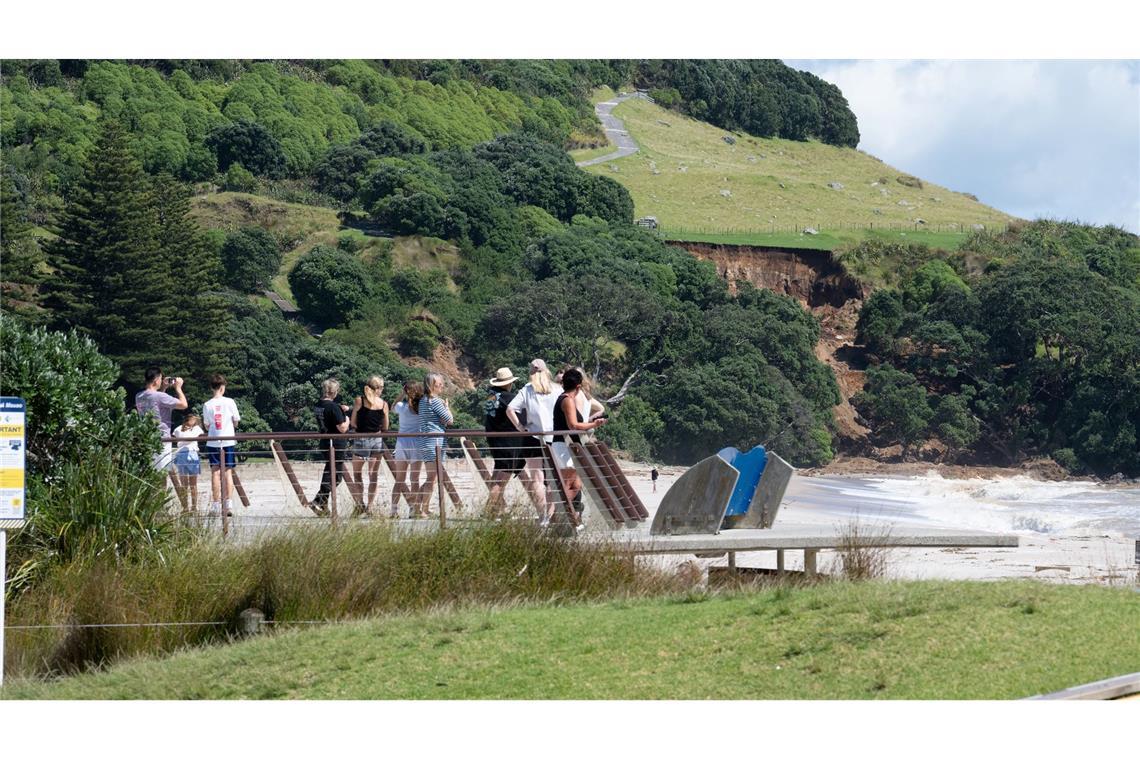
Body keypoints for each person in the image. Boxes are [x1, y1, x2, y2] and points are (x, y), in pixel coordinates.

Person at [506, 358, 563, 526]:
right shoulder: (557, 389)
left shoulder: (527, 389)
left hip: (533, 436)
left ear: (531, 373)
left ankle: (542, 516)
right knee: (552, 478)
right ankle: (551, 514)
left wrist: (520, 427)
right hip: (554, 437)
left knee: (537, 478)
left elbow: (510, 409)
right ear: (547, 371)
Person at [552, 368, 607, 522]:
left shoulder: (563, 398)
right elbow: (573, 425)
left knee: (575, 484)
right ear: (578, 386)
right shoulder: (568, 400)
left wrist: (590, 424)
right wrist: (594, 424)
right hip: (563, 446)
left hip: (563, 445)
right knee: (571, 484)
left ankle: (564, 516)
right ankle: (556, 515)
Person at [309, 378, 361, 516]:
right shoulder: (333, 407)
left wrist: (340, 409)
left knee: (329, 471)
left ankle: (322, 504)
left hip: (325, 441)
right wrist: (347, 418)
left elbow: (329, 415)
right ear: (334, 392)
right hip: (335, 444)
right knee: (335, 475)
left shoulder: (319, 405)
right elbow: (343, 428)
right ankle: (319, 501)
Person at [483, 367, 526, 515]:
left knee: (497, 474)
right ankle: (488, 511)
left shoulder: (491, 396)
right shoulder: (510, 398)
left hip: (495, 441)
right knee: (501, 480)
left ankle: (498, 509)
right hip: (509, 442)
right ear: (510, 383)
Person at [415, 372, 454, 518]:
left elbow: (437, 420)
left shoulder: (424, 401)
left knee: (431, 477)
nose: (442, 386)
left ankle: (420, 507)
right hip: (435, 442)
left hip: (426, 441)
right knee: (432, 478)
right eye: (439, 384)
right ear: (432, 385)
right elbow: (449, 420)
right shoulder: (435, 401)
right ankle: (421, 509)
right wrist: (447, 407)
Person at [135, 366, 188, 471]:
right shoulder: (159, 396)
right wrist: (178, 388)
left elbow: (157, 403)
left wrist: (163, 388)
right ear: (155, 380)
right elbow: (183, 405)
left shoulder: (139, 396)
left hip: (146, 437)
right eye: (160, 378)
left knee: (151, 471)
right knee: (162, 473)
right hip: (162, 438)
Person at [203, 373, 240, 517]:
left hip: (213, 440)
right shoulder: (230, 402)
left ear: (212, 387)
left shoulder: (207, 404)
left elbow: (207, 425)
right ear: (222, 387)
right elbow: (236, 421)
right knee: (227, 472)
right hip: (228, 440)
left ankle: (216, 505)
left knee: (215, 472)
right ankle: (228, 505)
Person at [351, 376, 389, 514]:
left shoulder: (359, 401)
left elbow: (353, 423)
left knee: (357, 474)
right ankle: (370, 507)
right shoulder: (384, 404)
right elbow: (386, 426)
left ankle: (360, 504)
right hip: (377, 440)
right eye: (382, 388)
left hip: (361, 438)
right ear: (378, 389)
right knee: (373, 475)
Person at [389, 382, 424, 518]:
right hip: (417, 443)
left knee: (400, 479)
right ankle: (414, 510)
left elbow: (392, 407)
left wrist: (402, 393)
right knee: (414, 479)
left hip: (402, 443)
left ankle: (393, 510)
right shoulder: (421, 408)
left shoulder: (401, 407)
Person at [171, 413, 204, 512]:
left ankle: (185, 507)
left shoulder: (177, 429)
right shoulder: (196, 429)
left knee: (184, 483)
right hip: (192, 454)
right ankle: (193, 506)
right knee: (193, 483)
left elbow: (173, 436)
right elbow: (201, 434)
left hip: (181, 455)